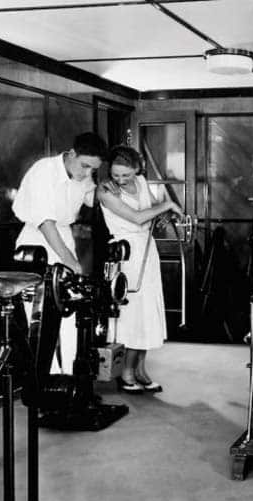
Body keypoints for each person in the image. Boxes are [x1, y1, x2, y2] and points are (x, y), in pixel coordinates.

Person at [13, 132, 108, 374]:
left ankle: (69, 381)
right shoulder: (43, 171)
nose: (87, 173)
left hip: (64, 237)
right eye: (85, 166)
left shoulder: (82, 173)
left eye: (93, 169)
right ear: (72, 154)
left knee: (70, 313)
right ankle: (46, 384)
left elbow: (90, 198)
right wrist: (69, 259)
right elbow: (45, 222)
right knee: (40, 318)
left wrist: (108, 189)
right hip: (37, 242)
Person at [98, 145, 183, 393]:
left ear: (137, 169)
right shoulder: (105, 191)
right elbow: (137, 218)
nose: (121, 180)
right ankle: (125, 373)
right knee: (132, 313)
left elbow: (151, 209)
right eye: (116, 175)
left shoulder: (143, 182)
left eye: (126, 175)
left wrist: (163, 213)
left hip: (148, 249)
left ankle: (141, 371)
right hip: (126, 253)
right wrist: (166, 206)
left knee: (148, 312)